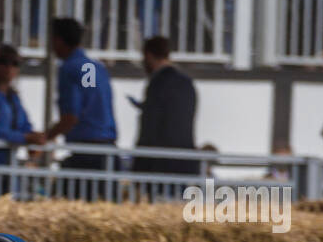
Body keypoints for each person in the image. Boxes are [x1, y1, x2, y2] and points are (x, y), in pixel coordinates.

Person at [27, 17, 117, 200]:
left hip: (85, 154)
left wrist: (45, 138)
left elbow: (71, 116)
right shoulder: (97, 67)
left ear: (58, 40)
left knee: (61, 204)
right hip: (109, 151)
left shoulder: (69, 68)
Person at [131, 36, 197, 177]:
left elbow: (151, 127)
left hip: (159, 165)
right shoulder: (187, 83)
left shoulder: (158, 84)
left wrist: (138, 163)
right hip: (186, 162)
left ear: (148, 55)